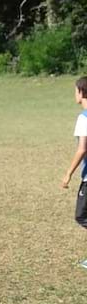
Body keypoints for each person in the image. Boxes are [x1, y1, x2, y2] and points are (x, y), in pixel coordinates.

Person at [62, 77, 87, 268]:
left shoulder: (83, 118)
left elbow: (82, 149)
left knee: (81, 215)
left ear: (81, 92)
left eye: (75, 91)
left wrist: (68, 173)